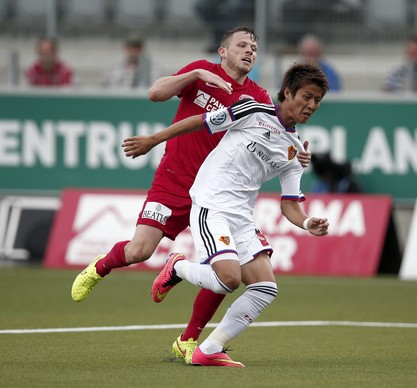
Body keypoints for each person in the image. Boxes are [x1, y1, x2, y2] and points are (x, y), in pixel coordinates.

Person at [71, 26, 312, 364]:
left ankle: (189, 340)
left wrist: (297, 153)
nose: (249, 51)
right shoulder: (201, 72)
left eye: (254, 47)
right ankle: (102, 267)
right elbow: (155, 93)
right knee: (140, 250)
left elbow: (275, 133)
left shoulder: (256, 97)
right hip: (174, 181)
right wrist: (195, 74)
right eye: (241, 45)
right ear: (223, 51)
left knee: (229, 269)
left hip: (218, 193)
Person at [122, 62, 330, 367]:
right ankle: (178, 267)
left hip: (241, 217)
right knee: (230, 279)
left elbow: (290, 204)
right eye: (307, 97)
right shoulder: (253, 111)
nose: (311, 105)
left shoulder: (294, 149)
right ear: (288, 92)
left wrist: (309, 222)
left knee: (265, 288)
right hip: (211, 204)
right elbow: (199, 122)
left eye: (317, 101)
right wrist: (154, 140)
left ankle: (208, 349)